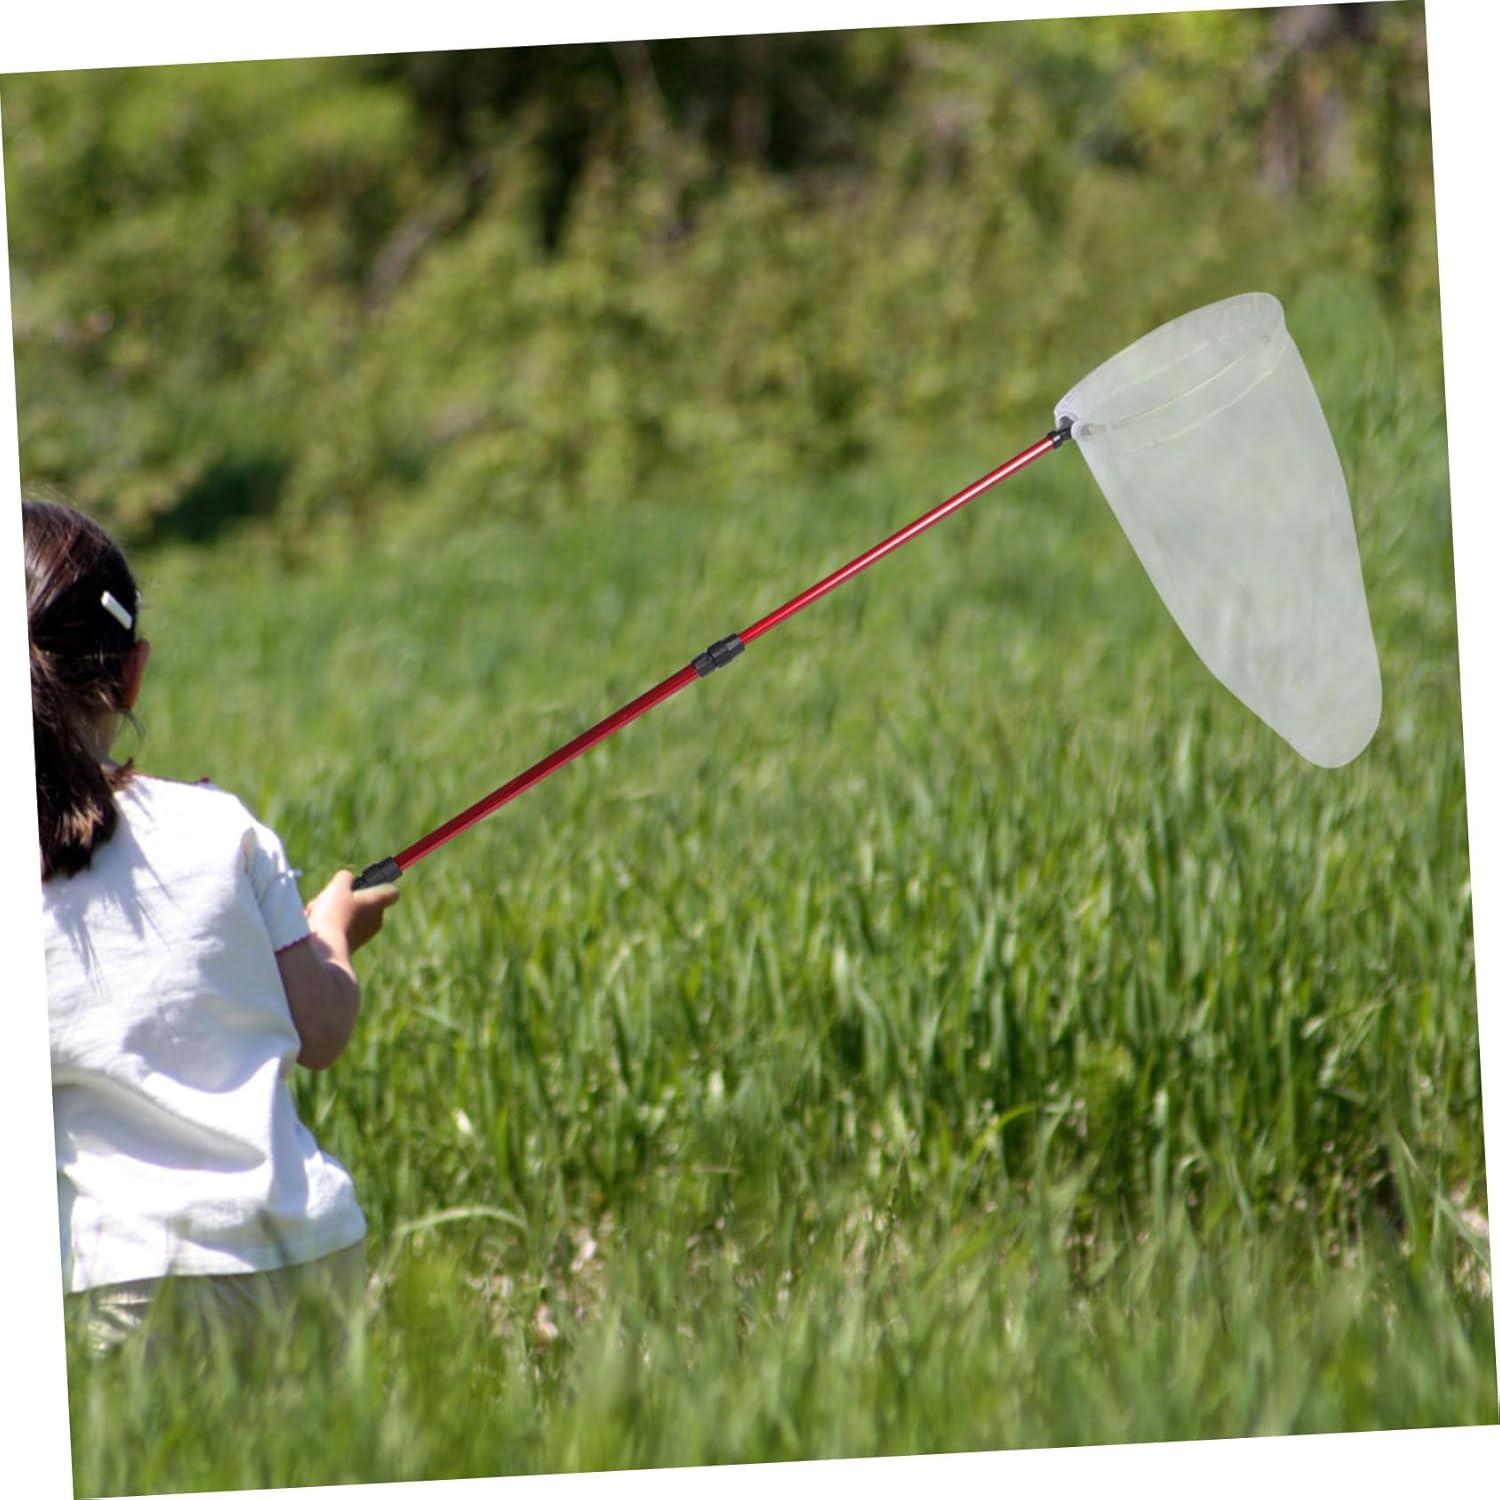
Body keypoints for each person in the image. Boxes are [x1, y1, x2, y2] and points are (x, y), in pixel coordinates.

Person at [27, 498, 400, 1355]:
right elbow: (322, 1029)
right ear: (131, 674)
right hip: (304, 1253)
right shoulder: (221, 828)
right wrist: (333, 933)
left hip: (121, 1289)